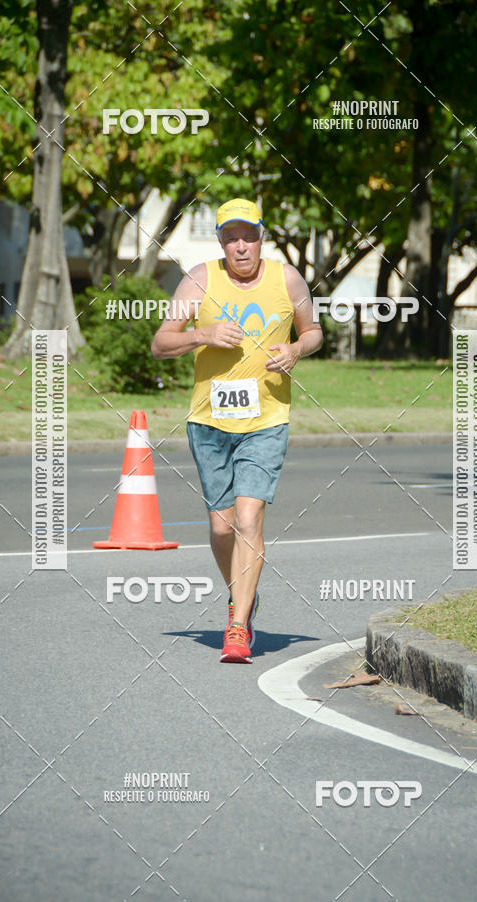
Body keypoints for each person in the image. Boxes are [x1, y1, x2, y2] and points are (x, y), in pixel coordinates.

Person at [151, 198, 322, 663]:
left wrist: (294, 350)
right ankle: (241, 592)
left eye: (248, 235)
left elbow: (313, 332)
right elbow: (161, 342)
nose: (240, 245)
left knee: (249, 520)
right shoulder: (200, 279)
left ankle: (238, 625)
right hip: (208, 422)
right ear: (221, 240)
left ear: (261, 236)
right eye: (231, 237)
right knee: (222, 526)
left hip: (266, 420)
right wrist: (200, 336)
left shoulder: (286, 278)